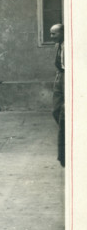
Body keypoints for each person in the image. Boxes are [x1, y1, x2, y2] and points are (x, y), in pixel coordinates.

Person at [50, 24, 65, 167]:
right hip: (59, 77)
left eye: (54, 34)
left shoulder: (68, 46)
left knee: (64, 112)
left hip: (66, 77)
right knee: (55, 110)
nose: (51, 36)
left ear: (62, 33)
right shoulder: (58, 46)